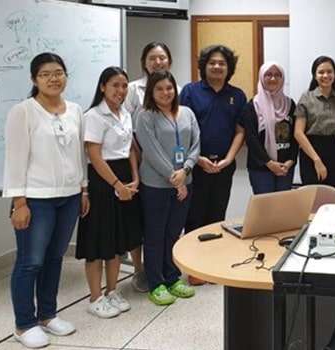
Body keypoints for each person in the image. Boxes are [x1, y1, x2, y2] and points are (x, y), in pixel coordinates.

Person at [3, 52, 90, 348]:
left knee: (55, 258)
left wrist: (84, 189)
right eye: (45, 74)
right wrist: (19, 203)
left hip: (69, 197)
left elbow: (80, 153)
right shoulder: (24, 111)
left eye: (59, 72)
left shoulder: (76, 110)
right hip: (36, 200)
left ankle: (48, 315)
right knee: (30, 261)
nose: (54, 79)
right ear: (34, 80)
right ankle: (24, 324)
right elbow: (14, 160)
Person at [77, 67, 142, 319]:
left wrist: (134, 179)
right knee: (98, 241)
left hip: (125, 179)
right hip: (103, 182)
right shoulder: (93, 115)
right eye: (115, 85)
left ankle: (112, 290)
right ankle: (95, 297)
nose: (121, 90)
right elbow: (93, 155)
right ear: (103, 86)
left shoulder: (125, 114)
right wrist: (118, 185)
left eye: (125, 85)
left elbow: (130, 150)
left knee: (117, 243)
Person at [179, 45, 246, 285]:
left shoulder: (237, 95)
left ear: (229, 68)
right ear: (204, 66)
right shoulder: (190, 91)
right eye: (212, 63)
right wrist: (197, 159)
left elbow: (240, 131)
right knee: (194, 217)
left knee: (217, 215)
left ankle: (213, 266)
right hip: (196, 165)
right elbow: (182, 130)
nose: (217, 67)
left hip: (225, 166)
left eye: (222, 63)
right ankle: (195, 268)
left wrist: (229, 159)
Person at [135, 70, 201, 306]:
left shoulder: (188, 113)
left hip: (186, 182)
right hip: (156, 186)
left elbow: (195, 144)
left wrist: (187, 170)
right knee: (155, 235)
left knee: (173, 233)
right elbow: (151, 152)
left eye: (169, 88)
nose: (165, 93)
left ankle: (172, 277)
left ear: (175, 89)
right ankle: (155, 282)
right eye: (159, 89)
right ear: (152, 92)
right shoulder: (145, 116)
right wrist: (176, 178)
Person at [122, 42, 178, 293]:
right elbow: (125, 126)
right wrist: (142, 154)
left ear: (169, 62)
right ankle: (140, 270)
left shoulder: (175, 89)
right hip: (138, 160)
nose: (158, 62)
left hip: (169, 167)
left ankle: (165, 270)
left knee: (164, 226)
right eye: (153, 58)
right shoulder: (133, 89)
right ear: (144, 62)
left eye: (162, 58)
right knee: (143, 223)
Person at [241, 62, 298, 194]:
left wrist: (291, 160)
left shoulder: (290, 104)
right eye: (268, 75)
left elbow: (296, 135)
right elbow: (251, 138)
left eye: (277, 75)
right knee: (265, 210)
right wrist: (269, 163)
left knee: (283, 209)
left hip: (285, 167)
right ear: (261, 77)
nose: (273, 79)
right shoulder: (252, 106)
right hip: (261, 168)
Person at [294, 55, 335, 191]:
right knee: (312, 198)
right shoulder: (306, 98)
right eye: (321, 72)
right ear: (314, 75)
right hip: (311, 152)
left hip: (333, 152)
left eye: (329, 71)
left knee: (334, 197)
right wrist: (316, 160)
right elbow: (298, 133)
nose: (325, 75)